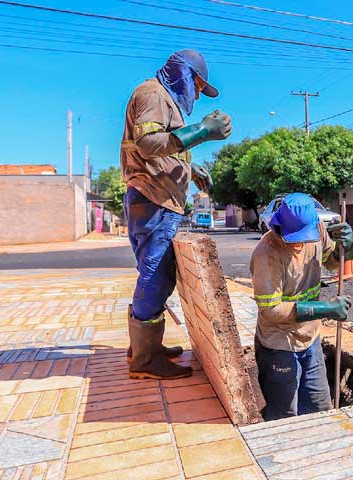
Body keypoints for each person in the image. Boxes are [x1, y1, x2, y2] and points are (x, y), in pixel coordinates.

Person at [121, 49, 232, 380]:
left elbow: (163, 148)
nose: (197, 94)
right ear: (187, 76)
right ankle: (144, 359)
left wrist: (189, 167)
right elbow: (149, 145)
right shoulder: (153, 93)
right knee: (155, 276)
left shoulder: (161, 98)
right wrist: (202, 130)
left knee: (157, 274)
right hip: (152, 198)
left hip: (158, 198)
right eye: (198, 87)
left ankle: (145, 348)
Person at [250, 193, 353, 420]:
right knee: (285, 414)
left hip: (310, 339)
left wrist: (348, 247)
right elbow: (271, 310)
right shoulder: (266, 253)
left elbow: (332, 262)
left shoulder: (316, 228)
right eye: (294, 237)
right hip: (278, 343)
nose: (299, 243)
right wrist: (325, 309)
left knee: (319, 407)